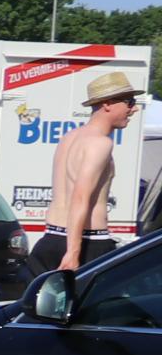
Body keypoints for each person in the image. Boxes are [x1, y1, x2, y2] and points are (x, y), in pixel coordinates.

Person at [33, 70, 140, 273]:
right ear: (107, 103)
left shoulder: (69, 138)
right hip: (87, 245)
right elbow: (80, 198)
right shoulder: (100, 144)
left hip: (50, 241)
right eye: (129, 102)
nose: (134, 109)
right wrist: (73, 252)